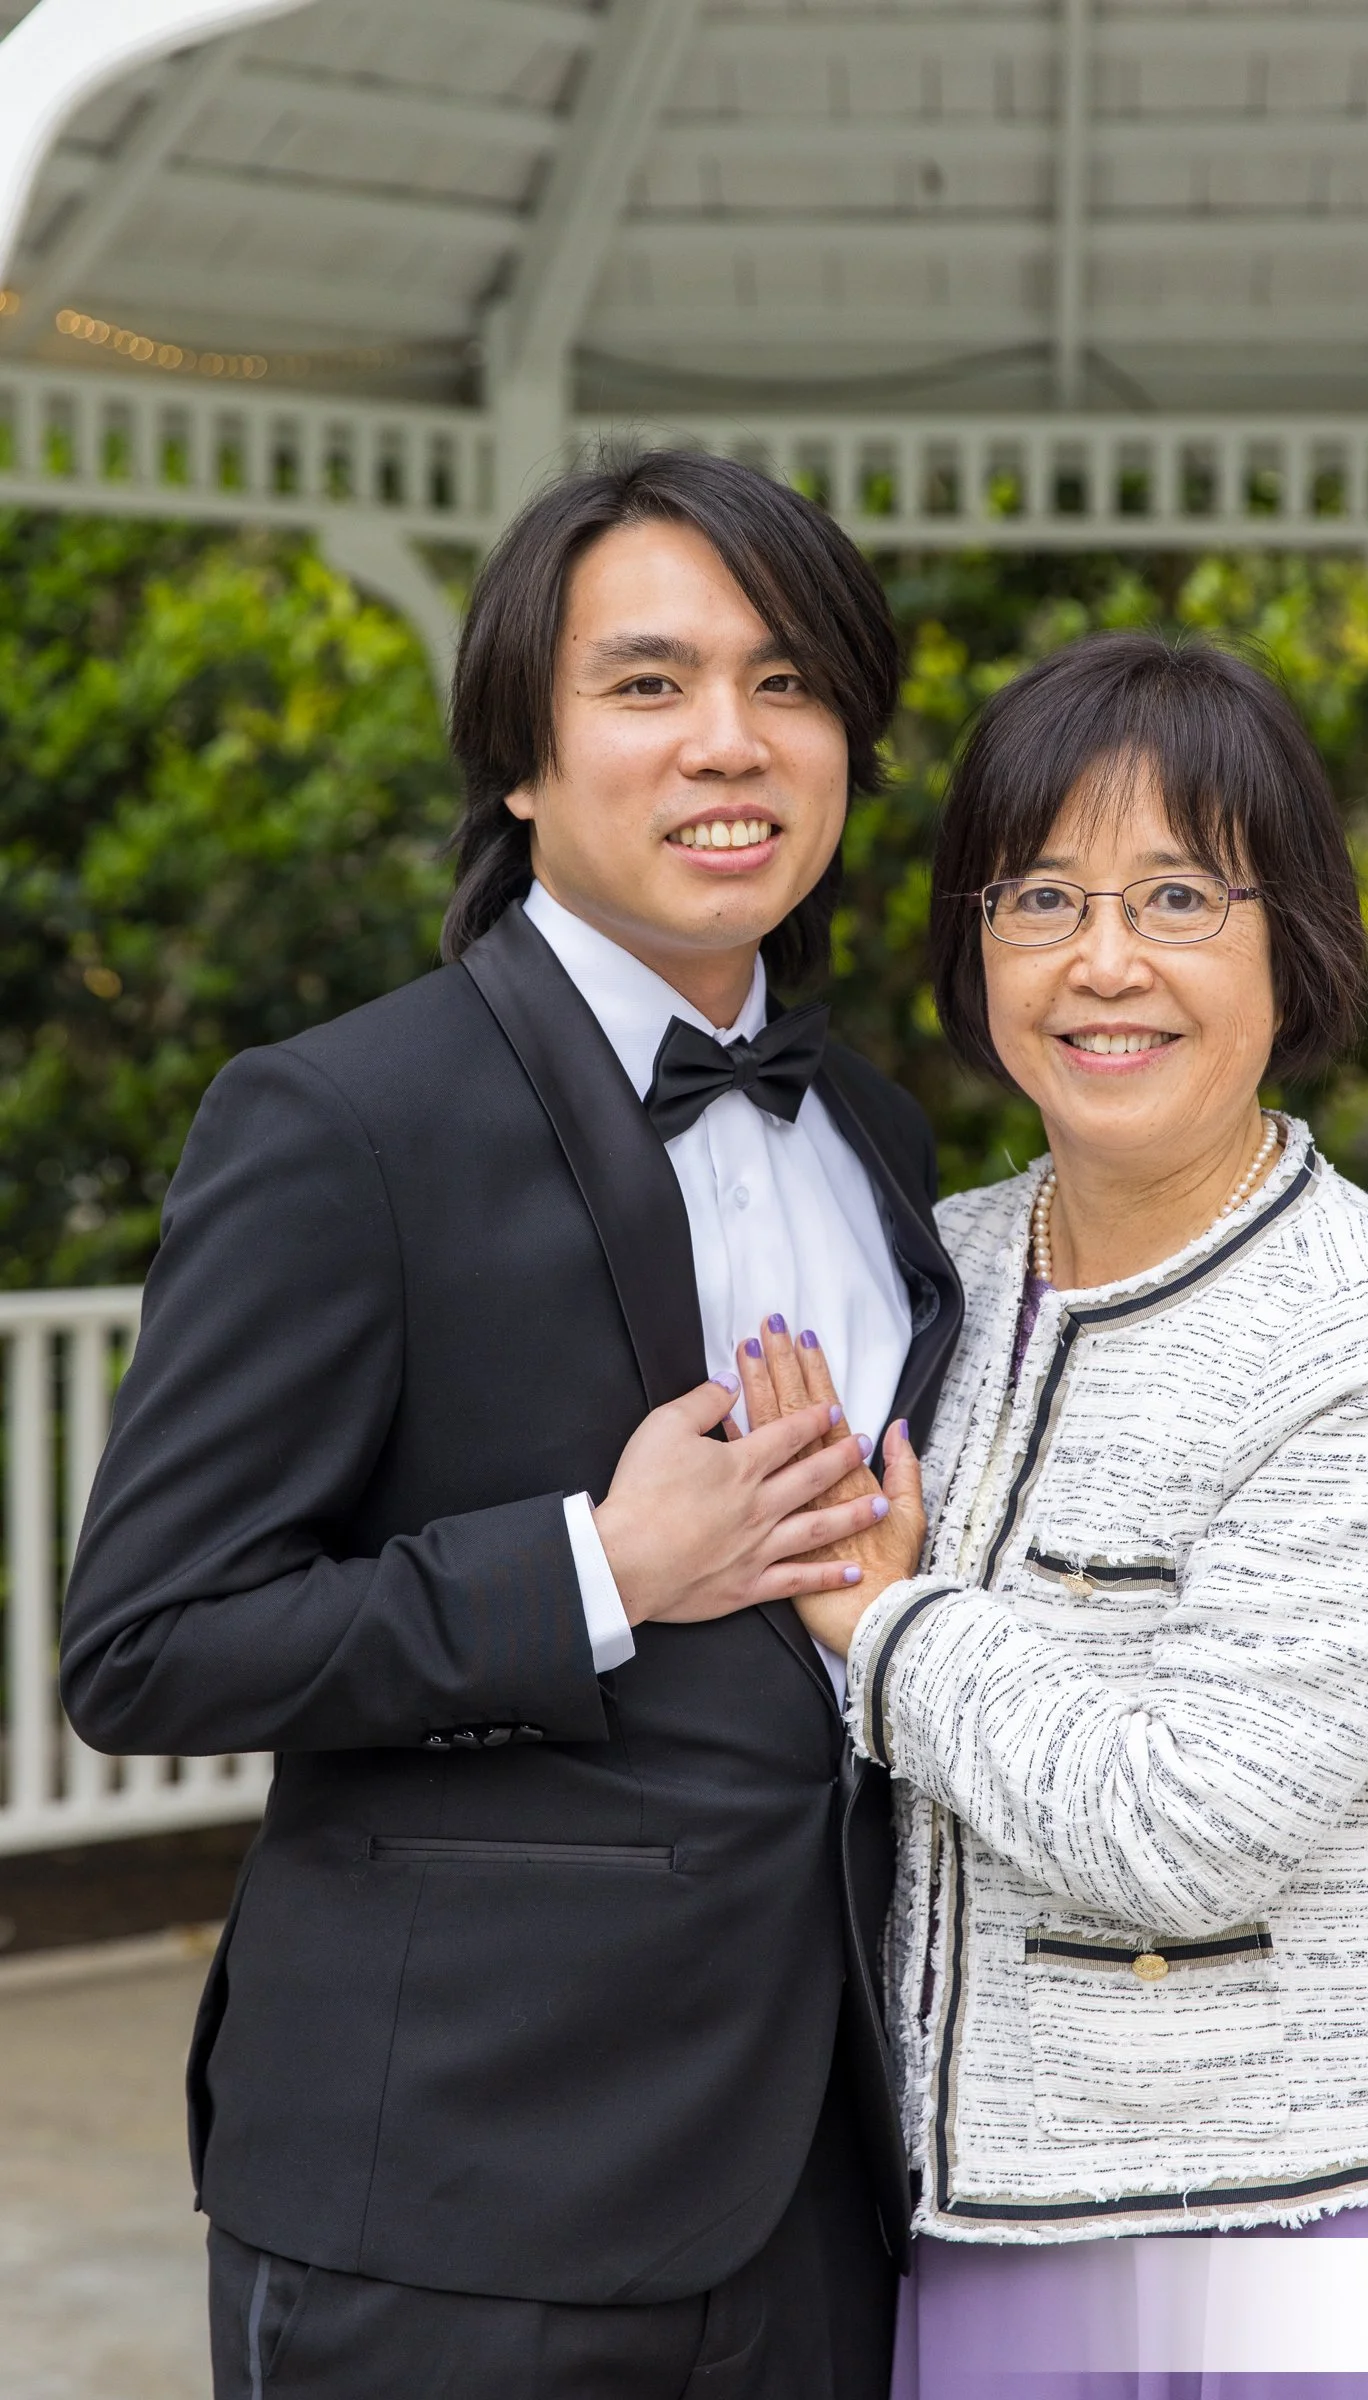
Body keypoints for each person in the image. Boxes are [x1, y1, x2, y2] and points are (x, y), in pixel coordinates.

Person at [59, 448, 962, 2400]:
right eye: (647, 684)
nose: (728, 740)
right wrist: (597, 1570)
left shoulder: (878, 1131)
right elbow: (146, 1645)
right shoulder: (338, 1120)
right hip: (460, 2199)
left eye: (786, 681)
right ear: (521, 763)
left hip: (823, 2179)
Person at [746, 631, 1368, 2400]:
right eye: (1040, 898)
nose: (1105, 963)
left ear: (1289, 941)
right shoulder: (929, 1263)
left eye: (1177, 895)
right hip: (971, 2209)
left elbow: (1192, 1829)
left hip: (1286, 2241)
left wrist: (887, 1621)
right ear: (976, 946)